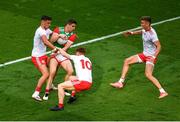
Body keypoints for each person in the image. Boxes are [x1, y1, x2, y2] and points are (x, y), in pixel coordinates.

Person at [110, 16, 168, 99]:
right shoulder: (145, 29)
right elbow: (142, 31)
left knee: (148, 74)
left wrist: (154, 57)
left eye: (142, 23)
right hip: (144, 55)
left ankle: (163, 91)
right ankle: (120, 82)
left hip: (150, 57)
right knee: (127, 61)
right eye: (141, 23)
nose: (141, 24)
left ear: (148, 24)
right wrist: (132, 33)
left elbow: (159, 46)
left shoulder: (153, 34)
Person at [43, 19, 78, 101]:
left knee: (70, 71)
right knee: (52, 72)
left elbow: (66, 47)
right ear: (68, 25)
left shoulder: (73, 35)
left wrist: (59, 52)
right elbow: (51, 41)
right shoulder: (58, 29)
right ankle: (46, 92)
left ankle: (65, 88)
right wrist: (59, 35)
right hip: (54, 52)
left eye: (75, 27)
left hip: (62, 54)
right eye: (73, 26)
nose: (74, 28)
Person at [31, 15, 60, 101]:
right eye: (48, 23)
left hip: (43, 55)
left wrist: (60, 35)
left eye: (50, 23)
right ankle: (36, 93)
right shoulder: (40, 31)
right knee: (46, 74)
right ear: (43, 22)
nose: (49, 25)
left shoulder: (46, 29)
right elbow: (45, 41)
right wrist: (54, 48)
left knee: (54, 65)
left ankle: (50, 85)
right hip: (37, 57)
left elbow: (52, 34)